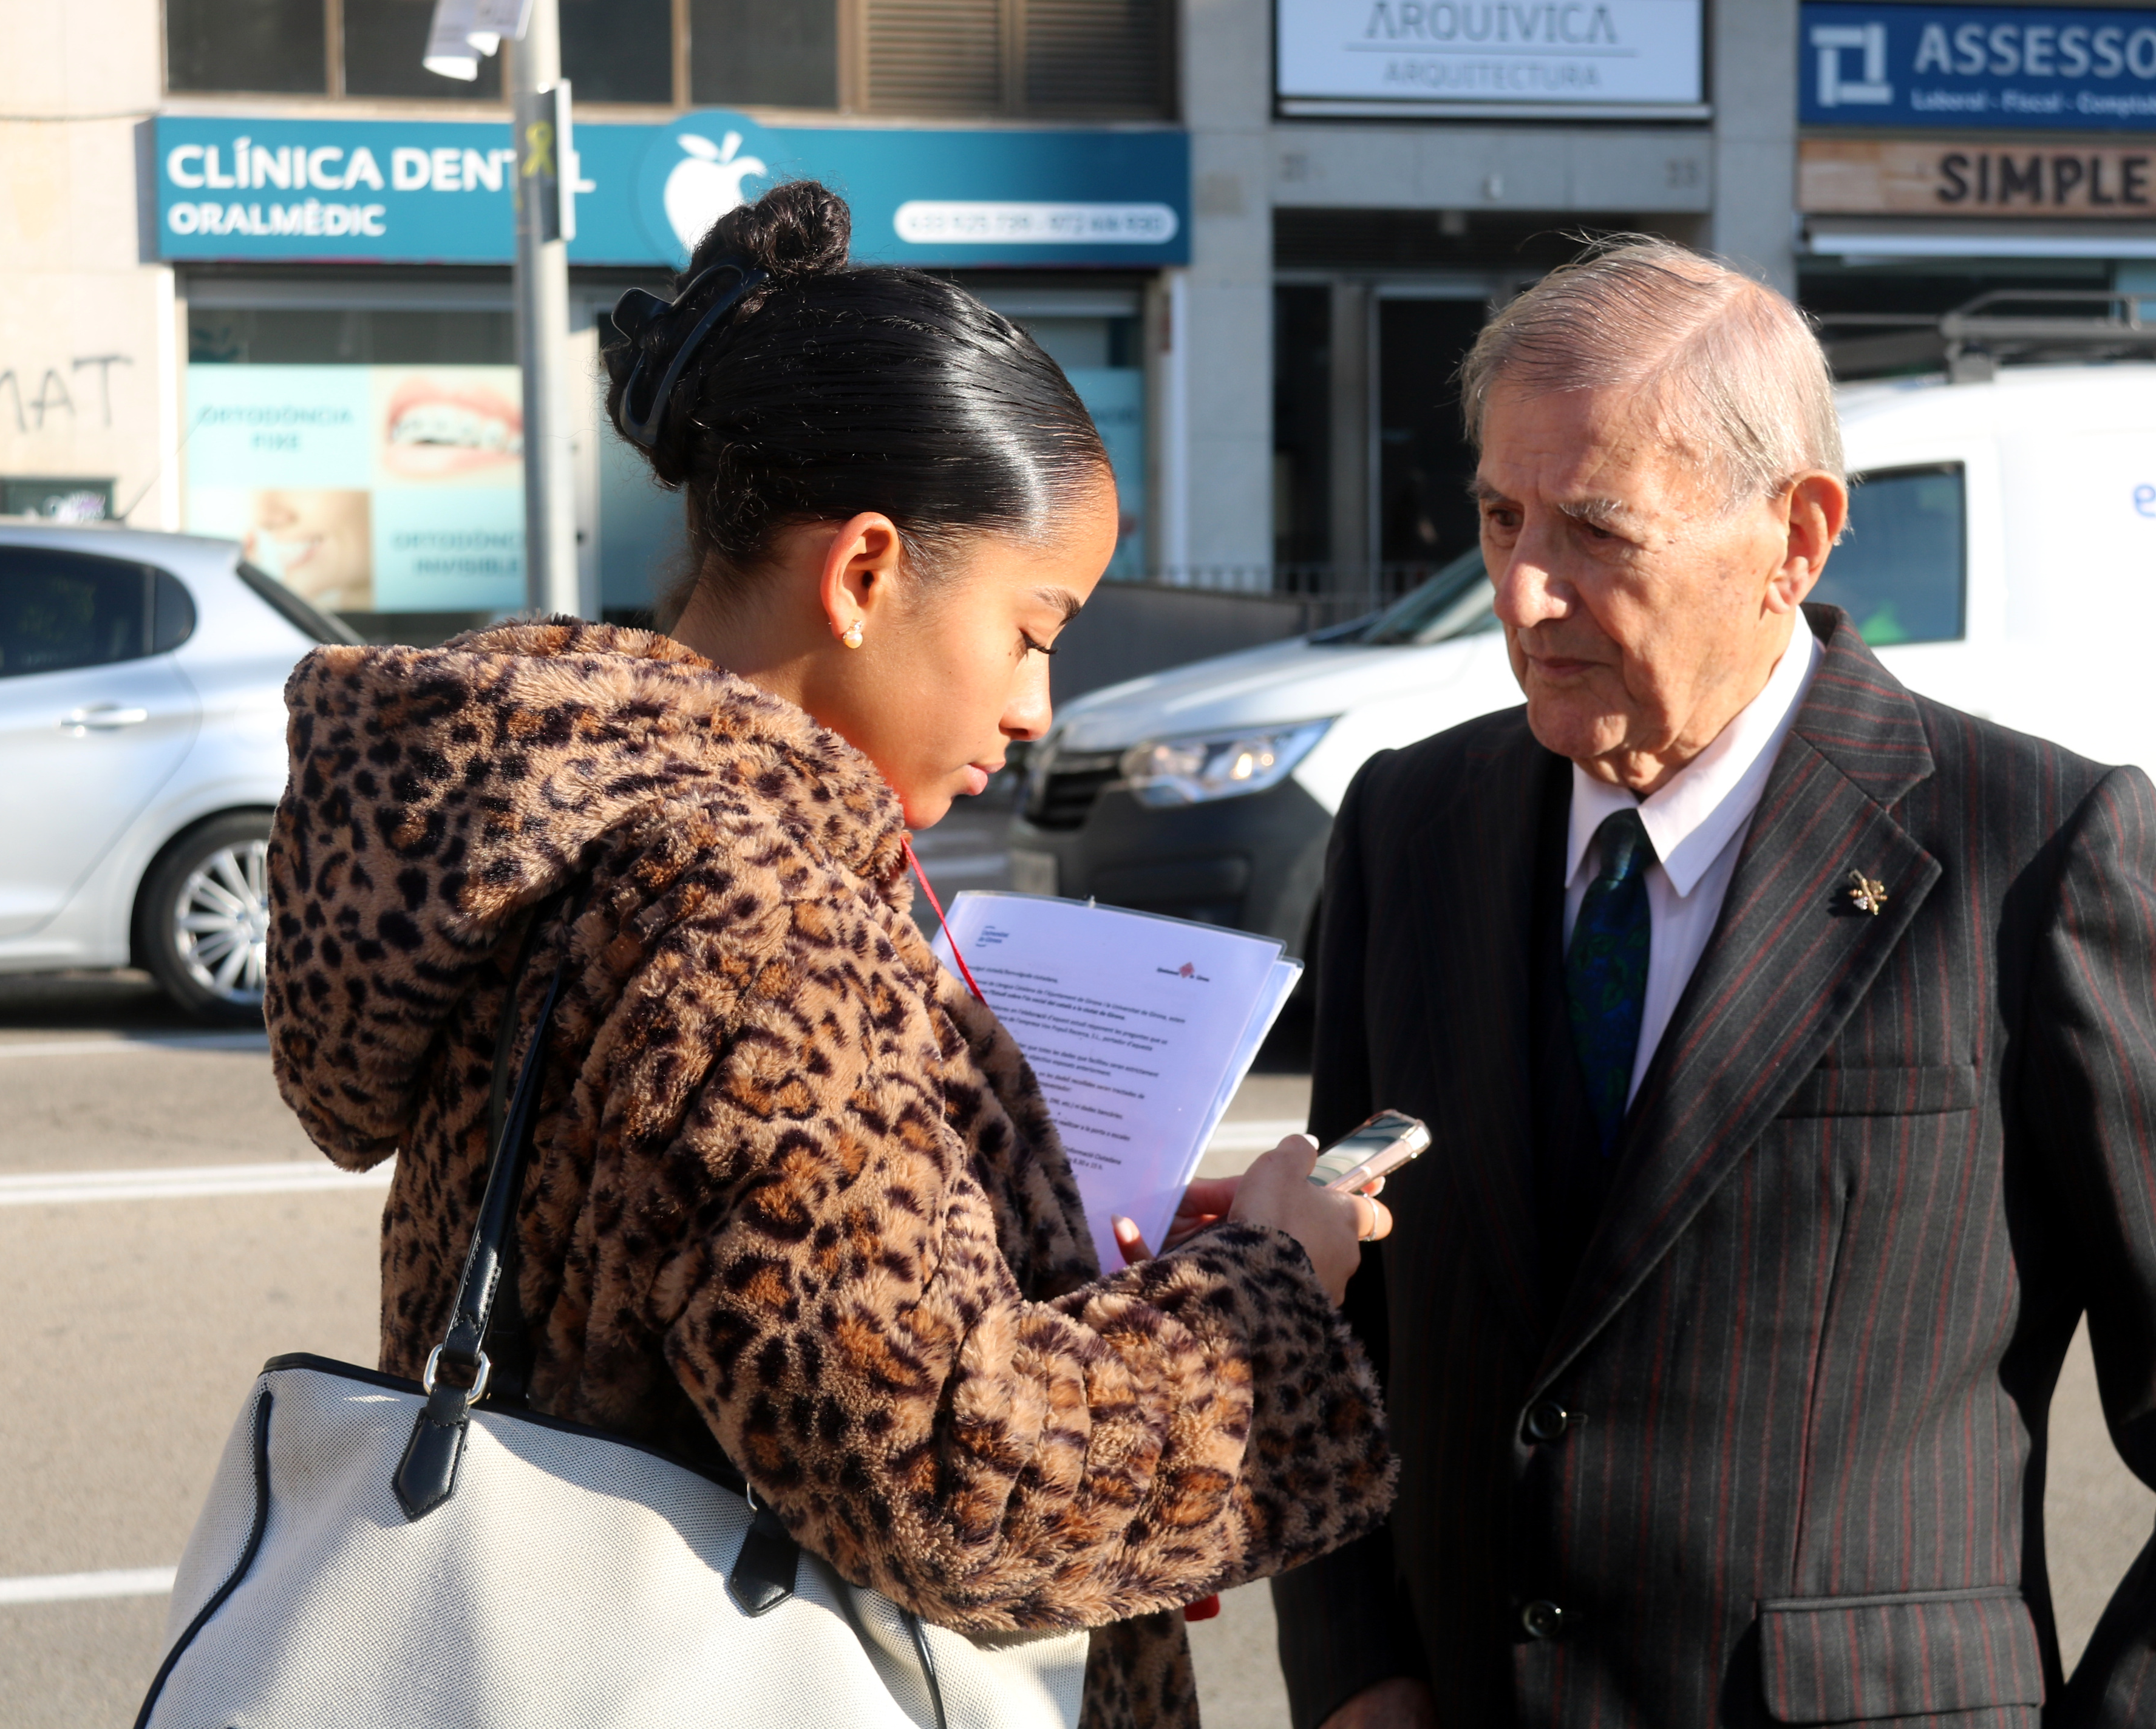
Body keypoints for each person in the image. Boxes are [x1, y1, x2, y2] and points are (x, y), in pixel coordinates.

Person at [264, 180, 1395, 1729]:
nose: (1035, 708)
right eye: (1033, 628)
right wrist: (1266, 1290)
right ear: (864, 573)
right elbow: (953, 1479)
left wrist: (1047, 1224)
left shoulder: (572, 825)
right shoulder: (755, 911)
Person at [1273, 237, 2156, 1729]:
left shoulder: (2034, 849)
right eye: (1497, 514)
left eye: (1597, 530)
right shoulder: (1410, 825)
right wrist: (1357, 1668)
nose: (1525, 592)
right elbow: (1344, 1318)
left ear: (1796, 535)